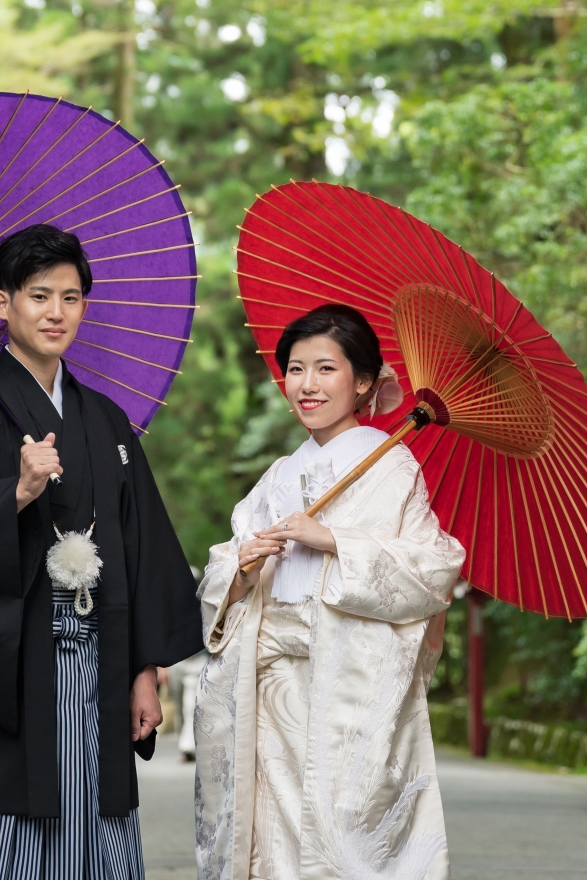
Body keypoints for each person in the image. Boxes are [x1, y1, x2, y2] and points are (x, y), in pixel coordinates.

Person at [0, 222, 203, 880]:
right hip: (3, 671)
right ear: (2, 304)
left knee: (92, 825)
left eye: (70, 296)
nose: (56, 311)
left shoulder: (108, 422)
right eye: (39, 295)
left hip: (98, 661)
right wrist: (16, 490)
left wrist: (143, 668)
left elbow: (139, 541)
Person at [192, 304, 465, 880]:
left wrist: (336, 540)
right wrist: (242, 568)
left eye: (325, 369)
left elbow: (432, 570)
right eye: (295, 369)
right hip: (266, 693)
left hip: (344, 693)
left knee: (337, 847)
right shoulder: (280, 474)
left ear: (363, 381)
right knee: (267, 844)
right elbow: (227, 570)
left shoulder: (393, 469)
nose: (307, 385)